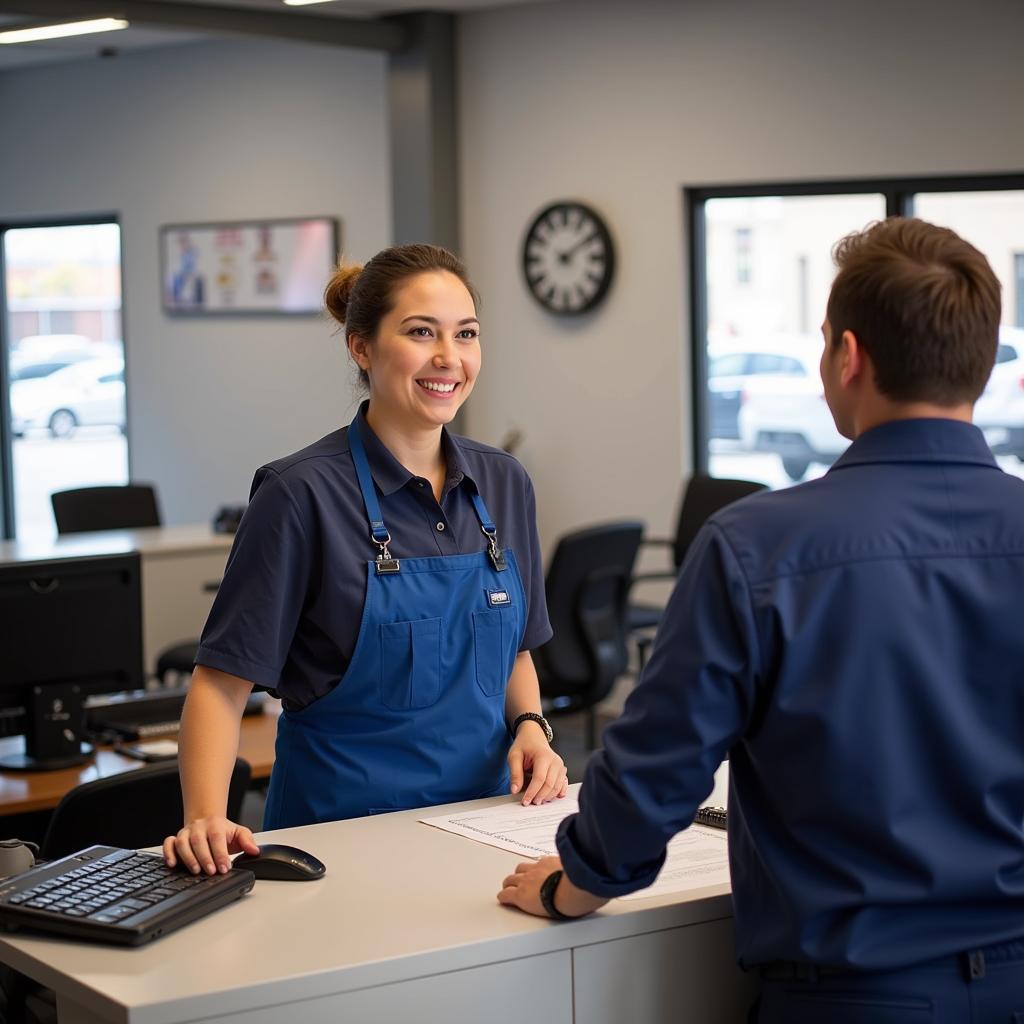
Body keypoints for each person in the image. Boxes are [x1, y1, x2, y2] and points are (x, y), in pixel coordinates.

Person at [498, 218, 1024, 1022]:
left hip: (858, 997)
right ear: (981, 365)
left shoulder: (760, 544)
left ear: (848, 356)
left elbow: (654, 771)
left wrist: (573, 885)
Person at [164, 243, 567, 877]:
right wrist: (206, 818)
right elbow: (220, 684)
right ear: (361, 347)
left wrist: (532, 728)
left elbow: (515, 649)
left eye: (466, 334)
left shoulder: (505, 482)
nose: (449, 358)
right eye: (420, 333)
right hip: (337, 844)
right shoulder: (299, 494)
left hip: (489, 830)